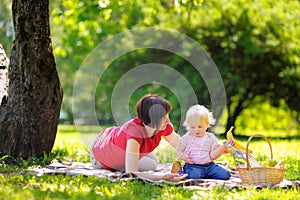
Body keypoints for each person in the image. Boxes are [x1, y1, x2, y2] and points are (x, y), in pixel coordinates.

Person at [90, 94, 188, 181]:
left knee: (154, 160)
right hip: (100, 157)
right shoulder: (134, 135)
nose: (168, 120)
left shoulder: (163, 126)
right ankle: (120, 164)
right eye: (164, 118)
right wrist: (163, 176)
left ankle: (126, 161)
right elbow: (132, 173)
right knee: (151, 165)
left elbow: (181, 147)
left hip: (110, 139)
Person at [172, 104, 235, 180]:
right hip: (193, 166)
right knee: (193, 177)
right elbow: (178, 151)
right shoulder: (187, 137)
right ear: (188, 125)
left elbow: (212, 156)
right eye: (192, 127)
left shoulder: (211, 138)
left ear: (207, 124)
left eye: (200, 127)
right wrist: (184, 157)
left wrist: (223, 147)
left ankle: (206, 174)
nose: (196, 130)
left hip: (210, 166)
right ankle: (178, 172)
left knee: (225, 175)